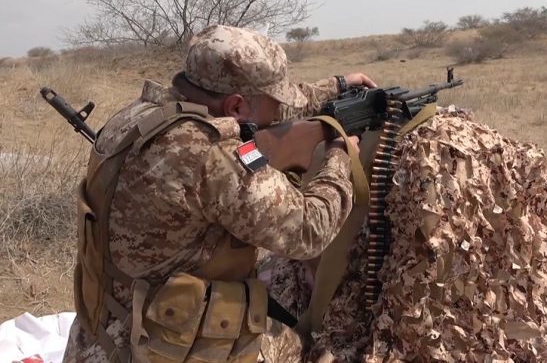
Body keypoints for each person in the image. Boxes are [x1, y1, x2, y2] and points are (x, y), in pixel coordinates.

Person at [63, 24, 377, 362]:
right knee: (314, 351)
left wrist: (336, 87)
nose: (276, 112)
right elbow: (309, 231)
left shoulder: (135, 117)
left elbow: (260, 112)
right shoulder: (212, 156)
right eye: (273, 102)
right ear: (236, 106)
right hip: (156, 344)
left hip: (98, 330)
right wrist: (339, 161)